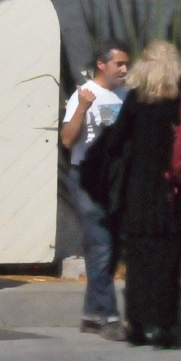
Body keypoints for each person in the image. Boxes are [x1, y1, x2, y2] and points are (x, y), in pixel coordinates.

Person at [82, 39, 181, 348]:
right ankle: (163, 328)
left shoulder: (135, 101)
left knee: (138, 260)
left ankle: (136, 324)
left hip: (138, 192)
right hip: (173, 193)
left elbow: (113, 142)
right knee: (167, 260)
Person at [60, 41, 130, 340]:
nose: (125, 69)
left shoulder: (126, 96)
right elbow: (67, 139)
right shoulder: (85, 94)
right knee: (100, 245)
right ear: (102, 64)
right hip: (87, 177)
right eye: (119, 64)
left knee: (108, 247)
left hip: (115, 179)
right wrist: (83, 107)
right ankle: (109, 318)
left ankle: (91, 315)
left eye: (127, 64)